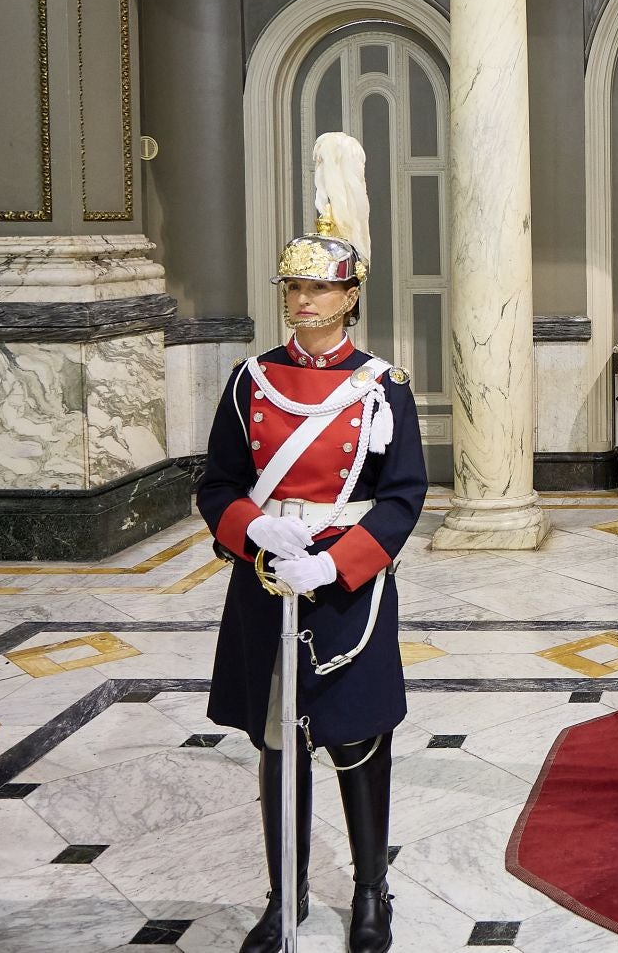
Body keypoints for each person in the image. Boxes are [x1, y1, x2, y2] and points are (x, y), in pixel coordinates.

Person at [197, 132, 426, 953]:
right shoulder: (248, 380)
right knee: (275, 738)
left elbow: (404, 498)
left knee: (358, 738)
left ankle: (371, 895)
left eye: (317, 288)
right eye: (292, 286)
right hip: (265, 582)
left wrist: (336, 560)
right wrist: (253, 528)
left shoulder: (383, 387)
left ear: (350, 296)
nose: (300, 300)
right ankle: (283, 895)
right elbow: (215, 484)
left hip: (345, 585)